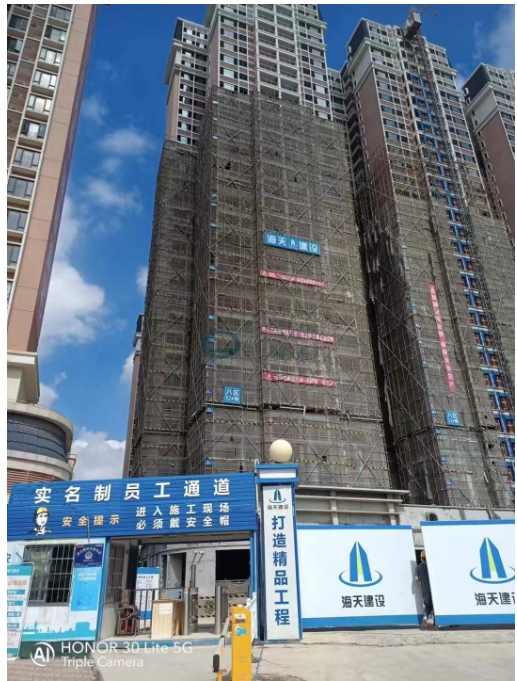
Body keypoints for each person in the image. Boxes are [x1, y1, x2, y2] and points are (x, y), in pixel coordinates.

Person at [415, 550, 434, 626]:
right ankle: (433, 619)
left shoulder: (418, 567)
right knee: (434, 605)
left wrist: (421, 579)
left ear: (421, 558)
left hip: (424, 589)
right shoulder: (431, 566)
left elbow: (416, 579)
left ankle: (427, 617)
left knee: (427, 604)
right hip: (433, 590)